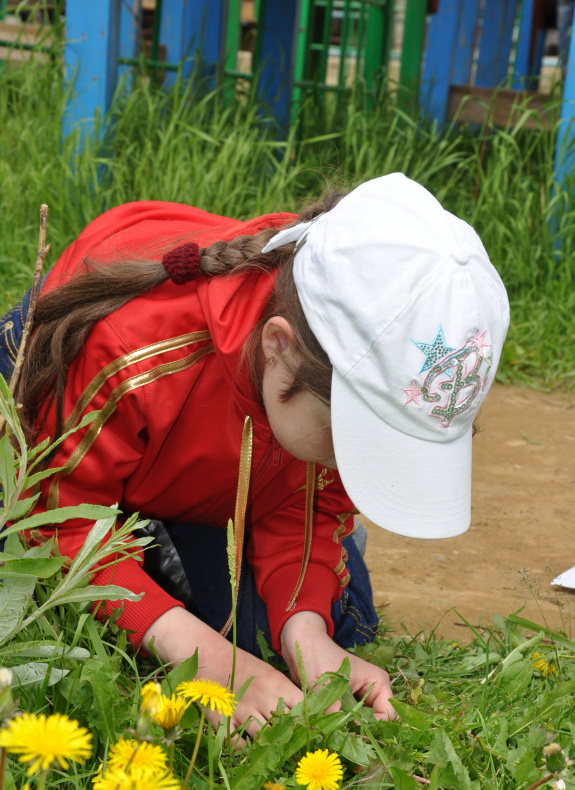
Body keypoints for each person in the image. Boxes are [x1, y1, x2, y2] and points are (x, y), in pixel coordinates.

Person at [11, 173, 509, 739]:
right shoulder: (131, 349)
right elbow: (58, 517)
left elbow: (312, 504)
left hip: (225, 457)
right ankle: (154, 532)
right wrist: (195, 648)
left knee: (309, 634)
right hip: (70, 398)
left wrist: (308, 632)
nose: (353, 471)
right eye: (354, 442)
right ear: (279, 349)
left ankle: (177, 536)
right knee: (85, 598)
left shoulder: (316, 369)